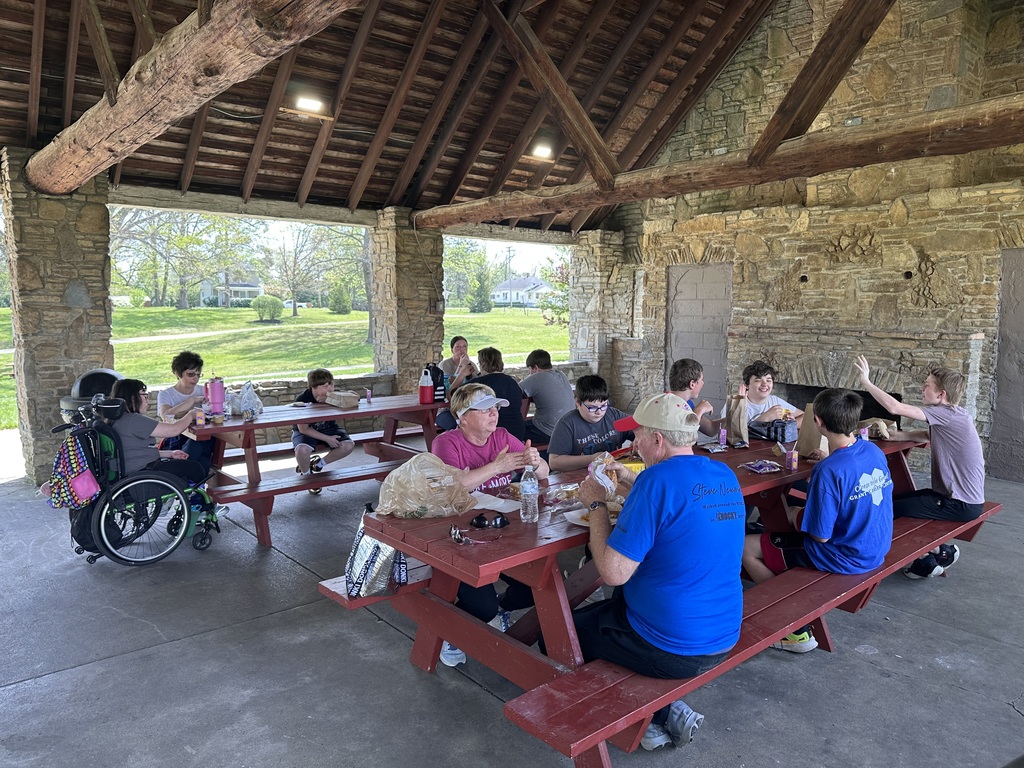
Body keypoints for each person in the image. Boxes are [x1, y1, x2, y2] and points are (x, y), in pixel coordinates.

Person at [574, 394, 745, 751]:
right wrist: (626, 480)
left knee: (564, 634)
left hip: (673, 645)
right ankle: (660, 711)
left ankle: (651, 716)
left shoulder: (656, 483)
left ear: (657, 440)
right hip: (723, 631)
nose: (632, 443)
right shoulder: (721, 472)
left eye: (637, 435)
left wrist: (596, 503)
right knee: (613, 608)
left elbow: (612, 572)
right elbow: (680, 504)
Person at [741, 388, 894, 653]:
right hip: (876, 547)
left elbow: (820, 536)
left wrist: (793, 514)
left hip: (845, 555)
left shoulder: (829, 470)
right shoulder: (872, 451)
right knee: (781, 526)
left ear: (819, 422)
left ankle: (793, 626)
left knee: (745, 547)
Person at [431, 383, 549, 667]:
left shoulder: (503, 437)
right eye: (485, 409)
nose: (494, 414)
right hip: (460, 540)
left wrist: (535, 462)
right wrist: (498, 467)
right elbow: (452, 487)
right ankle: (449, 632)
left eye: (495, 408)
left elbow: (544, 472)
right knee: (480, 607)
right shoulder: (446, 443)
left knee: (540, 584)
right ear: (462, 416)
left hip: (504, 534)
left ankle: (501, 609)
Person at [855, 355, 985, 579]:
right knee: (897, 499)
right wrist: (899, 436)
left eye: (927, 385)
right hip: (958, 500)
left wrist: (866, 382)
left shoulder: (943, 413)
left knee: (886, 508)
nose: (923, 388)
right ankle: (941, 551)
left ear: (941, 395)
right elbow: (928, 434)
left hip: (958, 504)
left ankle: (924, 559)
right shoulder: (957, 414)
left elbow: (894, 407)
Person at [109, 378, 207, 486]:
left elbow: (134, 452)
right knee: (196, 468)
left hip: (131, 469)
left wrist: (170, 454)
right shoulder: (133, 420)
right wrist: (191, 415)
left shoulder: (116, 419)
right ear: (133, 398)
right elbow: (174, 430)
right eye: (144, 396)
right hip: (141, 472)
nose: (148, 401)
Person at [547, 375, 632, 471]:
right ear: (578, 403)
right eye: (592, 408)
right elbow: (554, 462)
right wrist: (592, 459)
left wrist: (639, 439)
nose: (599, 412)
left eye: (603, 405)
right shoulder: (568, 424)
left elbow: (640, 429)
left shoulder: (614, 415)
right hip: (579, 476)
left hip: (612, 473)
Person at [293, 369, 355, 494]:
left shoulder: (334, 396)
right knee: (302, 450)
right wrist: (327, 439)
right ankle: (307, 476)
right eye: (325, 386)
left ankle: (318, 464)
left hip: (329, 428)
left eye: (331, 384)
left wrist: (342, 395)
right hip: (307, 431)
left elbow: (355, 396)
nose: (330, 389)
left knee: (348, 445)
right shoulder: (303, 399)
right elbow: (303, 429)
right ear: (313, 387)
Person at [156, 350, 215, 471]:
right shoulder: (166, 394)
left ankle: (180, 476)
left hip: (201, 438)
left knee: (199, 447)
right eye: (191, 374)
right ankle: (184, 475)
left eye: (198, 375)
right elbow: (166, 415)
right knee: (200, 459)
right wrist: (191, 401)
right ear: (177, 373)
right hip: (176, 438)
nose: (195, 378)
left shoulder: (203, 391)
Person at [720, 360, 804, 427]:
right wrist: (763, 419)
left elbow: (806, 416)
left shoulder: (775, 401)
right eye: (758, 380)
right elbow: (724, 434)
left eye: (768, 380)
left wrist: (791, 424)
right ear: (747, 385)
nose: (765, 384)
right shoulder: (734, 403)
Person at [519, 349, 576, 445]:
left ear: (536, 367)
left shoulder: (537, 377)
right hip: (568, 431)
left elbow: (514, 390)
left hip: (547, 433)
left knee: (513, 430)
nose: (529, 373)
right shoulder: (561, 374)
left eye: (529, 369)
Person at [472, 347, 526, 441]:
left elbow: (454, 395)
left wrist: (461, 374)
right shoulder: (513, 382)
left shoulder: (479, 383)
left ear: (483, 364)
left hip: (494, 433)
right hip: (517, 431)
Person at [437, 336, 480, 431]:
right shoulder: (445, 365)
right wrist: (461, 366)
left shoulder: (472, 364)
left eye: (464, 347)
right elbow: (451, 385)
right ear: (452, 350)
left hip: (466, 406)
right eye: (458, 347)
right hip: (447, 408)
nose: (462, 350)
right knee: (456, 425)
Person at [668, 358, 718, 436]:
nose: (703, 383)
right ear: (692, 384)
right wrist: (699, 411)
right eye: (701, 380)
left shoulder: (687, 403)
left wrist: (731, 418)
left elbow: (710, 429)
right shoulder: (668, 405)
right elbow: (683, 437)